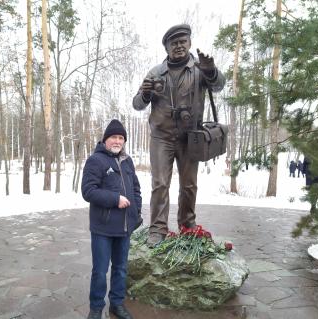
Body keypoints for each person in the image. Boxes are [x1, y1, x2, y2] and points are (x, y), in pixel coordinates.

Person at [132, 24, 225, 247]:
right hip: (161, 137)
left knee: (189, 185)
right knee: (160, 183)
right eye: (173, 43)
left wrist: (211, 71)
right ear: (166, 48)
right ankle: (157, 229)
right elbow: (136, 104)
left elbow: (219, 85)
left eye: (183, 41)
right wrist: (145, 94)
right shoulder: (156, 72)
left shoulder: (200, 69)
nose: (179, 46)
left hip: (189, 137)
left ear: (190, 43)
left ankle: (187, 225)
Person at [82, 119, 142, 319]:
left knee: (121, 269)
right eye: (114, 137)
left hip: (124, 228)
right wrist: (114, 199)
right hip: (103, 228)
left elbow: (136, 190)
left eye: (121, 138)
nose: (117, 141)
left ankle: (117, 304)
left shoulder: (128, 161)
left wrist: (136, 214)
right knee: (100, 271)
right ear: (105, 139)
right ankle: (96, 308)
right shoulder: (95, 161)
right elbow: (88, 191)